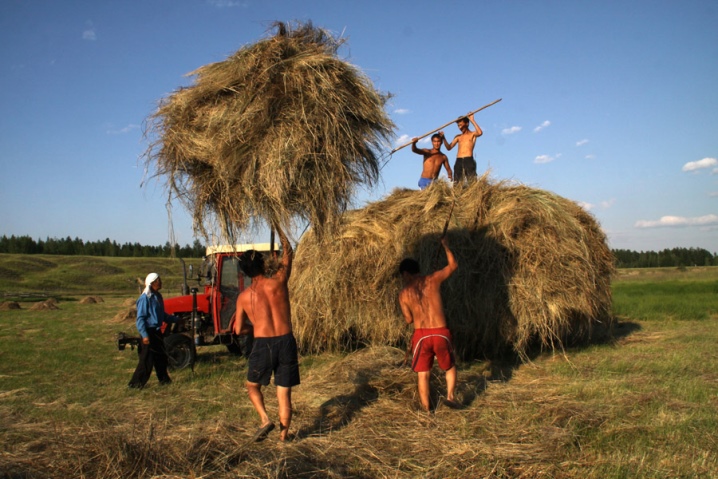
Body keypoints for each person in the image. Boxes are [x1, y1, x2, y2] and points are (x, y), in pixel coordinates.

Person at [234, 228, 299, 442]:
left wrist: (254, 329)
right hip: (286, 340)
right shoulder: (279, 281)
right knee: (284, 393)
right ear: (263, 264)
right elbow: (288, 252)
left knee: (253, 386)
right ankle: (283, 438)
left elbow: (237, 329)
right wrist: (279, 227)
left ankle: (264, 419)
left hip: (263, 344)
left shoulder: (244, 297)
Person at [398, 236, 459, 412]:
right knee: (449, 366)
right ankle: (450, 397)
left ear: (406, 274)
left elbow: (408, 320)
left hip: (422, 336)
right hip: (440, 332)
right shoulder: (433, 280)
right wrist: (446, 246)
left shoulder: (403, 294)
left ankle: (426, 410)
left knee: (423, 374)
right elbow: (453, 265)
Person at [128, 273, 180, 389]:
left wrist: (176, 319)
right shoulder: (145, 298)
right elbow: (140, 318)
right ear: (152, 283)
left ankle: (164, 381)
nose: (160, 282)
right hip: (148, 332)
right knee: (146, 360)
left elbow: (161, 315)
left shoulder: (158, 297)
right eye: (158, 281)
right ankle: (135, 384)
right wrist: (145, 335)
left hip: (156, 333)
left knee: (161, 358)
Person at [441, 113, 483, 183]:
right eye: (458, 126)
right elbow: (449, 147)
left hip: (468, 159)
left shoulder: (472, 134)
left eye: (461, 125)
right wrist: (443, 138)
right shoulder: (458, 137)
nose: (459, 127)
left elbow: (480, 132)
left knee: (472, 181)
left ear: (466, 124)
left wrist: (472, 120)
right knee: (457, 182)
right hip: (459, 160)